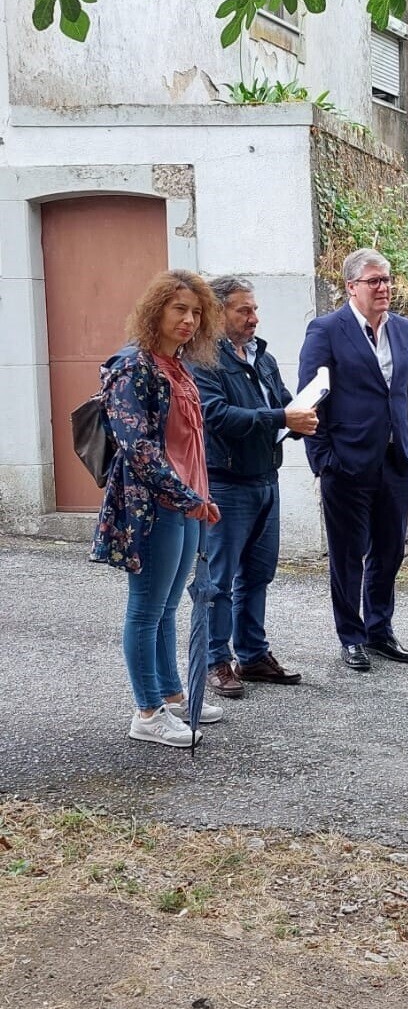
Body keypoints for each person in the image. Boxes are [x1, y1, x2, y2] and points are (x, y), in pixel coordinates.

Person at [91, 269, 225, 748]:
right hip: (154, 506)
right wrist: (187, 498)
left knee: (168, 607)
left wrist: (201, 497)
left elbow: (189, 444)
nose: (189, 320)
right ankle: (146, 712)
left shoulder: (178, 365)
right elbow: (139, 448)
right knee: (146, 609)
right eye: (179, 309)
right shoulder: (133, 366)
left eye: (196, 312)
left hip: (187, 503)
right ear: (155, 311)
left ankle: (172, 697)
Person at [298, 248, 408, 671]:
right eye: (374, 280)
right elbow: (310, 399)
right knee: (348, 554)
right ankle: (350, 636)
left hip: (397, 460)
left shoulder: (403, 330)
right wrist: (323, 459)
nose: (383, 287)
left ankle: (379, 630)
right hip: (346, 462)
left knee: (390, 551)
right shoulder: (326, 330)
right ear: (351, 286)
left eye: (386, 279)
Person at [192, 277, 318, 700]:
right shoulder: (203, 359)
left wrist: (302, 416)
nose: (254, 318)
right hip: (226, 484)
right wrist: (282, 418)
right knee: (218, 581)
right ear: (218, 312)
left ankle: (252, 655)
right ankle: (215, 660)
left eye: (254, 309)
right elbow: (215, 415)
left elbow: (281, 402)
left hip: (266, 479)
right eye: (244, 310)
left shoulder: (262, 355)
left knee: (258, 574)